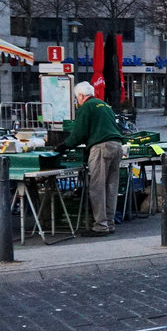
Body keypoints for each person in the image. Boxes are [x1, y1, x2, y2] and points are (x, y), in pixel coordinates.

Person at [55, 81, 124, 236]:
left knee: (97, 187)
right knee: (111, 187)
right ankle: (109, 222)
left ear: (81, 96)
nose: (77, 102)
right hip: (117, 146)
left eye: (77, 98)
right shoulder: (104, 105)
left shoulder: (87, 107)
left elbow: (79, 133)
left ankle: (100, 225)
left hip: (101, 148)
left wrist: (64, 146)